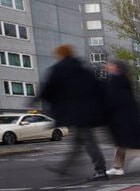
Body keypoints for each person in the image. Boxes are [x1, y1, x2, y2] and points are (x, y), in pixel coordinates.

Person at [38, 44, 109, 181]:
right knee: (78, 142)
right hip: (87, 112)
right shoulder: (83, 69)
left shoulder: (59, 69)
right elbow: (98, 88)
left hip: (75, 113)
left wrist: (37, 99)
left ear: (60, 55)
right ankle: (64, 168)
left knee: (88, 142)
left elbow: (48, 88)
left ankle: (100, 170)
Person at [103, 59, 140, 176]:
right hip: (123, 116)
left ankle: (118, 167)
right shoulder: (120, 79)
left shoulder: (117, 80)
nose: (107, 66)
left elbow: (115, 98)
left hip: (121, 116)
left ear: (116, 67)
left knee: (122, 142)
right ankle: (118, 166)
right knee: (122, 142)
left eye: (110, 65)